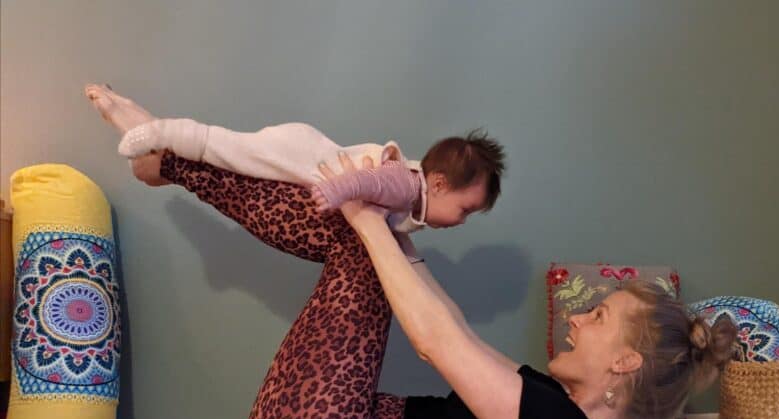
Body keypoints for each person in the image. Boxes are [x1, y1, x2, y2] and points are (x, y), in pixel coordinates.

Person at [90, 93, 737, 419]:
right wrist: (393, 236)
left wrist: (365, 218)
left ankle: (176, 160)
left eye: (596, 319)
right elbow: (450, 326)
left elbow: (434, 343)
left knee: (353, 233)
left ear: (626, 360)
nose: (575, 318)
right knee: (367, 238)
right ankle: (176, 162)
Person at [84, 84, 504, 233]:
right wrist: (335, 191)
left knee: (215, 162)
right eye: (465, 210)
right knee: (223, 148)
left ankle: (137, 121)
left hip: (304, 152)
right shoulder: (404, 184)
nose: (461, 221)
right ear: (440, 184)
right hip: (300, 155)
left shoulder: (413, 196)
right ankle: (159, 132)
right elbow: (368, 184)